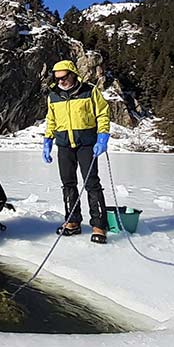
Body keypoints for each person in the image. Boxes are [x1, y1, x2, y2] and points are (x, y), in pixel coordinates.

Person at [41, 60, 112, 244]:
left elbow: (103, 112)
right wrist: (48, 139)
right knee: (68, 184)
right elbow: (51, 119)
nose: (61, 82)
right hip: (64, 145)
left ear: (73, 74)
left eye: (64, 77)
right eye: (57, 79)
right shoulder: (54, 95)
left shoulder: (89, 91)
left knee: (92, 183)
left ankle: (99, 225)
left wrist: (102, 135)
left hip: (86, 144)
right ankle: (72, 221)